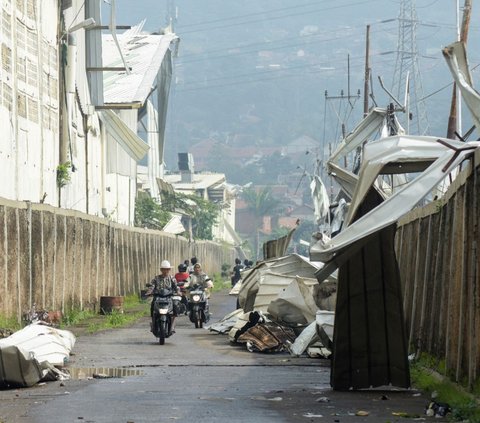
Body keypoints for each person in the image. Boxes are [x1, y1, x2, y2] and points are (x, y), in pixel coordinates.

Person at [147, 260, 179, 334]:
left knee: (175, 306)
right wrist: (149, 292)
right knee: (152, 305)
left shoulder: (172, 278)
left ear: (169, 270)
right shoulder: (156, 278)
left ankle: (172, 325)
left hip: (168, 297)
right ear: (161, 270)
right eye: (164, 269)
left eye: (167, 269)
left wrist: (178, 292)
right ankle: (153, 323)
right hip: (158, 297)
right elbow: (152, 286)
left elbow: (176, 287)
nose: (165, 271)